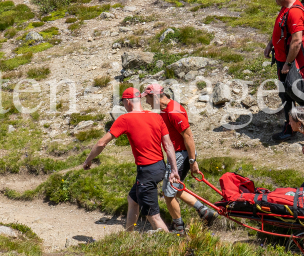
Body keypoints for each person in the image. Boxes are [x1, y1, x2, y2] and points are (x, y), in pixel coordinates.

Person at [83, 87, 179, 232]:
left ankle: (171, 248)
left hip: (146, 171)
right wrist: (174, 170)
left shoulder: (125, 119)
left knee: (154, 217)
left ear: (127, 101)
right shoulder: (156, 116)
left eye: (123, 103)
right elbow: (168, 144)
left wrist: (88, 160)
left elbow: (101, 143)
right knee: (132, 199)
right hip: (160, 167)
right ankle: (128, 235)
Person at [141, 83, 218, 233]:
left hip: (180, 155)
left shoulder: (173, 111)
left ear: (155, 97)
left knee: (168, 193)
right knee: (174, 188)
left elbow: (188, 135)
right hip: (176, 154)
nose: (147, 102)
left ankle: (179, 227)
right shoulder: (163, 109)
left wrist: (192, 161)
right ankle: (204, 211)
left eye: (148, 99)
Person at [263, 0, 304, 142]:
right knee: (285, 94)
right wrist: (271, 44)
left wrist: (288, 63)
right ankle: (291, 125)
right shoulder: (285, 9)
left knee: (294, 93)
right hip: (282, 60)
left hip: (289, 63)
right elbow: (281, 31)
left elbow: (296, 41)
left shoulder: (295, 12)